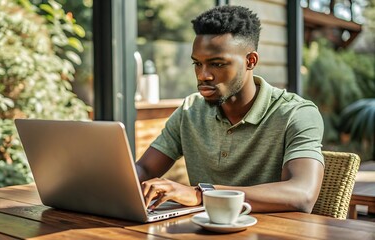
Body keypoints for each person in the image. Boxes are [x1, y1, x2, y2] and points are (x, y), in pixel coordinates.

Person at [135, 5, 324, 213]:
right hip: (202, 231)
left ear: (250, 61)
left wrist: (201, 194)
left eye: (217, 64)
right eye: (197, 64)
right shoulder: (190, 111)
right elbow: (145, 168)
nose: (203, 75)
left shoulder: (296, 114)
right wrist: (104, 181)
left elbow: (302, 194)